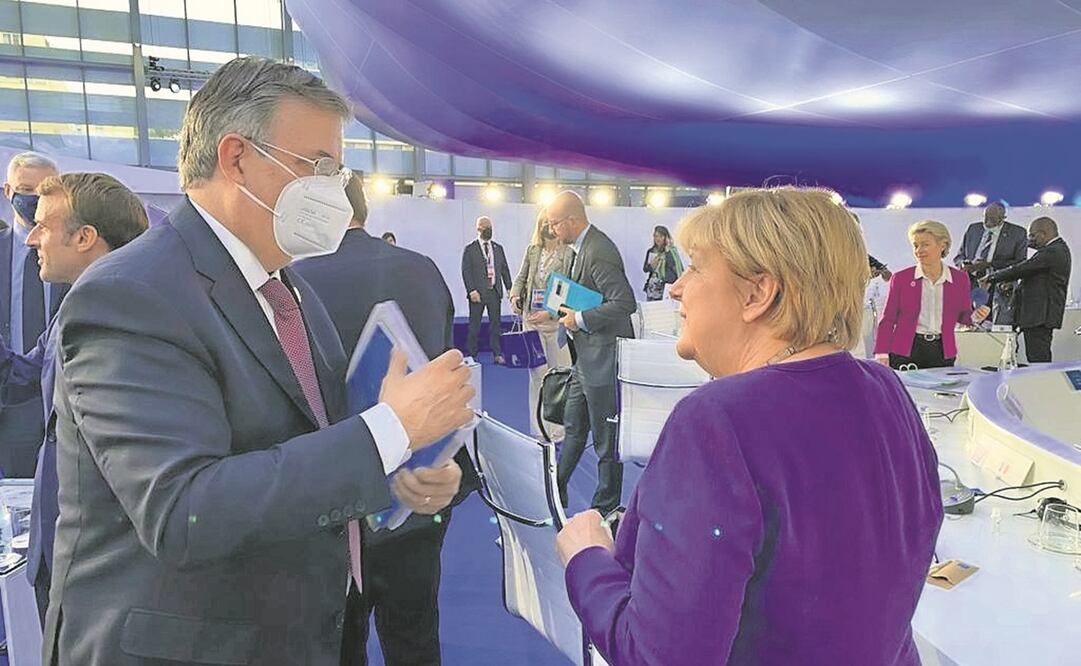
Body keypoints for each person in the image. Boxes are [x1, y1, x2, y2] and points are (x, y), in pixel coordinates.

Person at [44, 57, 474, 666]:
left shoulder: (287, 289)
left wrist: (402, 476)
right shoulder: (133, 295)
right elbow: (183, 511)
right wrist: (393, 429)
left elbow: (297, 449)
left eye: (337, 170)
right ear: (236, 157)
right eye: (317, 167)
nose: (331, 188)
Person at [555, 188, 943, 665]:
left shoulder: (718, 421)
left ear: (757, 294)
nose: (676, 287)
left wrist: (586, 559)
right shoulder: (886, 389)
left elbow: (659, 658)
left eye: (695, 267)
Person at [292, 173, 476, 666]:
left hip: (335, 499)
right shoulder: (423, 270)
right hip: (422, 483)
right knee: (414, 635)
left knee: (340, 642)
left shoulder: (294, 282)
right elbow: (450, 359)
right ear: (363, 212)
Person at [0, 173, 148, 623]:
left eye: (43, 226)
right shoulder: (78, 304)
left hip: (103, 566)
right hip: (65, 552)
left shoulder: (132, 314)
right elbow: (22, 377)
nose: (31, 239)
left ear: (84, 237)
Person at [547, 191, 635, 515]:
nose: (552, 230)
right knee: (572, 429)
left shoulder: (599, 251)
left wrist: (580, 319)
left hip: (604, 360)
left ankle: (605, 511)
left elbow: (624, 302)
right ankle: (555, 493)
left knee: (605, 440)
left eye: (554, 224)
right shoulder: (577, 249)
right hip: (583, 360)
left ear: (572, 220)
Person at [0, 152, 66, 477]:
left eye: (44, 191)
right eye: (26, 189)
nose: (34, 199)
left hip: (64, 398)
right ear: (8, 192)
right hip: (10, 404)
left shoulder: (74, 255)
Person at [874, 220, 988, 369]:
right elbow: (888, 318)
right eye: (916, 245)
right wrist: (881, 352)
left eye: (925, 244)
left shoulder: (960, 279)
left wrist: (976, 316)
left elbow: (963, 316)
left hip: (942, 350)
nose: (919, 250)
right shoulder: (901, 278)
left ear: (943, 245)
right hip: (905, 349)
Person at [509, 208, 574, 439]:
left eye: (552, 222)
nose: (548, 226)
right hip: (531, 323)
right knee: (537, 376)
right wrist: (515, 296)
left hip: (555, 325)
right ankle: (539, 429)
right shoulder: (532, 250)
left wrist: (550, 312)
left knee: (558, 376)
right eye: (544, 222)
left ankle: (558, 430)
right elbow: (521, 278)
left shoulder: (568, 253)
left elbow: (567, 286)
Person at [985, 216, 1071, 363]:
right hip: (1037, 315)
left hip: (1040, 316)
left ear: (1043, 234)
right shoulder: (1052, 251)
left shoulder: (1054, 251)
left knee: (1039, 359)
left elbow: (1023, 268)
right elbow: (1033, 275)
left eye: (1032, 235)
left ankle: (1042, 384)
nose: (1029, 239)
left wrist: (991, 277)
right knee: (1036, 357)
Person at [953, 201, 1026, 324]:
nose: (987, 221)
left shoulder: (1017, 233)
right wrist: (963, 265)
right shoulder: (973, 229)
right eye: (986, 217)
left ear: (1003, 218)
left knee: (993, 324)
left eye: (992, 218)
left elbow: (1020, 262)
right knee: (969, 325)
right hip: (972, 284)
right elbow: (958, 257)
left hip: (999, 286)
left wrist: (989, 264)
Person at [461, 215, 512, 363]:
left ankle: (497, 353)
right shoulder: (470, 249)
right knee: (474, 326)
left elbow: (504, 270)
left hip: (494, 292)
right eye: (485, 226)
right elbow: (466, 271)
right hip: (477, 293)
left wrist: (510, 289)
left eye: (490, 226)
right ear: (478, 229)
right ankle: (472, 354)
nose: (488, 229)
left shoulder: (498, 248)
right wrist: (471, 290)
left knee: (495, 325)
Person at [641, 225, 682, 300]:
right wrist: (651, 266)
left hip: (666, 286)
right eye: (656, 236)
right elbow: (645, 269)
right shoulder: (651, 251)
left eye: (661, 236)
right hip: (653, 287)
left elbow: (673, 265)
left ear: (665, 238)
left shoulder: (671, 251)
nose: (658, 239)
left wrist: (667, 251)